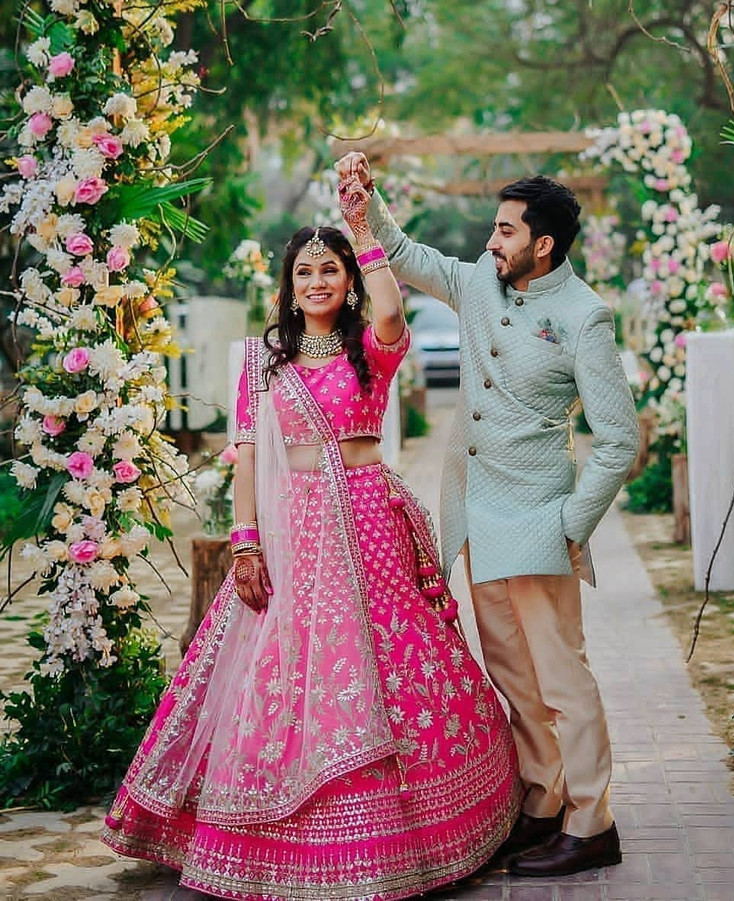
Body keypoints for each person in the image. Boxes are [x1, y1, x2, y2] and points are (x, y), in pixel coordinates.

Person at [100, 179, 522, 900]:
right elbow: (247, 458)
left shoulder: (370, 348)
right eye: (305, 271)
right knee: (288, 654)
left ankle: (405, 825)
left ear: (348, 280)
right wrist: (244, 542)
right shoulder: (263, 362)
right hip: (292, 530)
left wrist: (362, 226)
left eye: (331, 269)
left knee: (390, 651)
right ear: (290, 288)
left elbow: (391, 308)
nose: (319, 279)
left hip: (368, 524)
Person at [335, 153, 640, 878]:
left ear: (544, 244)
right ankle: (542, 802)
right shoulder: (477, 283)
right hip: (476, 510)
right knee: (511, 671)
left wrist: (572, 525)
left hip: (541, 520)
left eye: (505, 231)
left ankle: (593, 819)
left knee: (562, 675)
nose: (490, 241)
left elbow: (619, 437)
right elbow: (404, 255)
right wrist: (366, 207)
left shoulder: (582, 316)